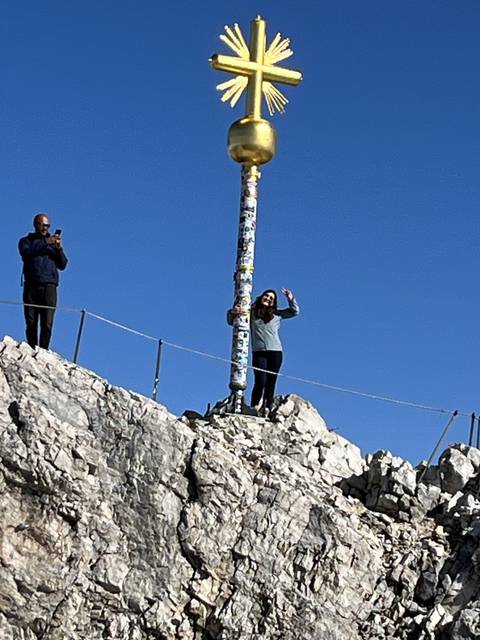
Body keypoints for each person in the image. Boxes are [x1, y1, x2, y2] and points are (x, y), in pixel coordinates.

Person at [228, 288, 300, 415]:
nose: (268, 299)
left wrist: (290, 298)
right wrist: (233, 312)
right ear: (262, 296)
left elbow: (295, 312)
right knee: (260, 381)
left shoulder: (277, 314)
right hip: (259, 352)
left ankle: (268, 407)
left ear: (274, 302)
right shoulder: (251, 312)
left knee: (271, 381)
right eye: (267, 296)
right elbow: (231, 320)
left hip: (275, 352)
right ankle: (255, 406)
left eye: (271, 298)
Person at [18, 213, 68, 349]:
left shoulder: (52, 243)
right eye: (43, 225)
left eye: (48, 226)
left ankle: (44, 350)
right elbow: (26, 253)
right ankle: (31, 347)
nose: (46, 228)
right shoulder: (26, 241)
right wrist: (46, 242)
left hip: (49, 285)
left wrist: (59, 249)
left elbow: (63, 264)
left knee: (47, 322)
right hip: (31, 285)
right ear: (36, 224)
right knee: (31, 321)